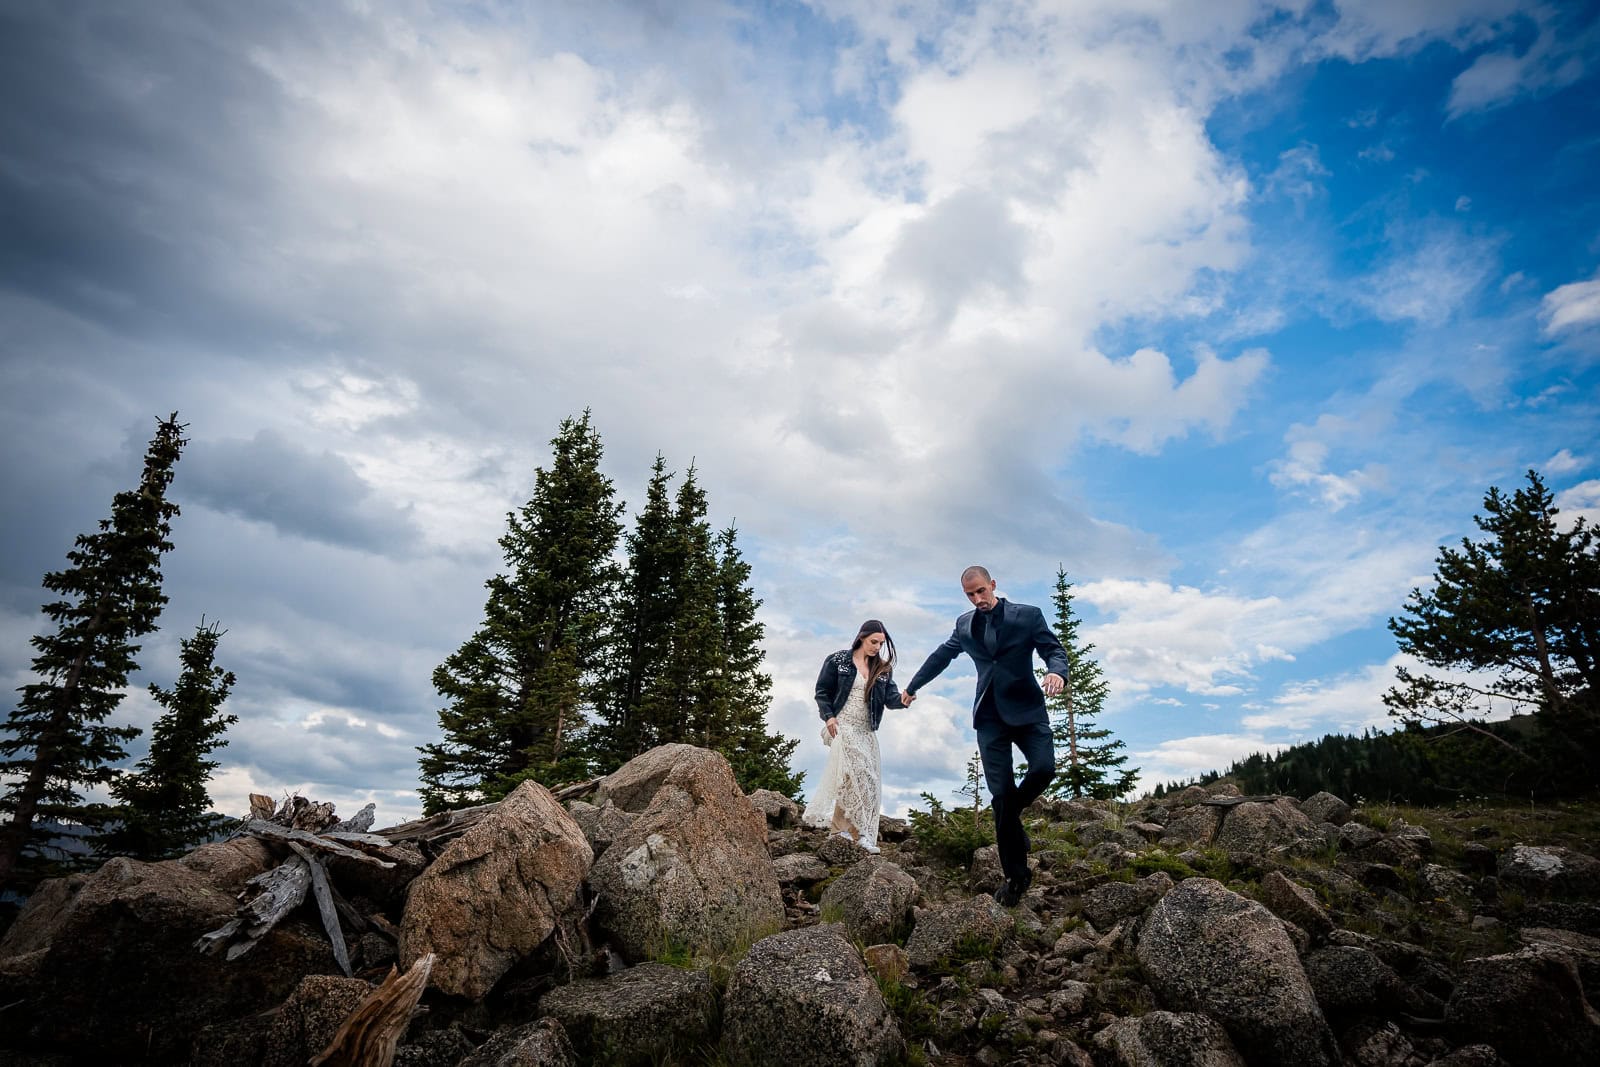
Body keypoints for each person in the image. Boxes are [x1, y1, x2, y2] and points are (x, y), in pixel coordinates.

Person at [903, 566, 1069, 905]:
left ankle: (1012, 817)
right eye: (970, 595)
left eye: (981, 591)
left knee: (1043, 769)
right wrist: (912, 687)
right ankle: (1016, 880)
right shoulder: (964, 625)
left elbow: (1053, 649)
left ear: (993, 585)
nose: (977, 599)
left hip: (1027, 712)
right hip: (989, 718)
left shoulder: (1027, 617)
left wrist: (1056, 672)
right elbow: (942, 657)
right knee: (1001, 793)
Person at [802, 619, 910, 853]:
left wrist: (904, 699)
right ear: (862, 637)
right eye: (873, 642)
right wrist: (829, 717)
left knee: (866, 779)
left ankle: (856, 833)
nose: (876, 647)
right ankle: (850, 832)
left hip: (865, 730)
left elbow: (890, 699)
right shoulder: (838, 661)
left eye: (881, 644)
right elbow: (822, 692)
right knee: (856, 771)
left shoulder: (882, 669)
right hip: (840, 725)